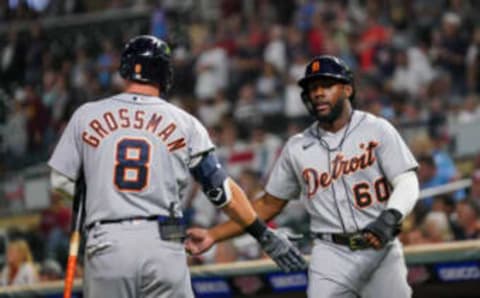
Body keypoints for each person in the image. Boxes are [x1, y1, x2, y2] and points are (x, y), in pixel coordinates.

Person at [48, 35, 306, 298]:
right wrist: (263, 234)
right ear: (165, 73)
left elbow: (59, 182)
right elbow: (221, 192)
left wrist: (104, 197)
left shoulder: (86, 115)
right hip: (164, 243)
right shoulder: (185, 122)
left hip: (108, 241)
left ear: (125, 71)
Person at [186, 55, 420, 298]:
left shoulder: (377, 129)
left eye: (327, 86)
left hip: (380, 248)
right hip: (331, 253)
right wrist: (214, 234)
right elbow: (267, 206)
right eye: (313, 88)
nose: (318, 93)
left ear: (347, 89)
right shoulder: (297, 147)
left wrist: (392, 214)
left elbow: (407, 180)